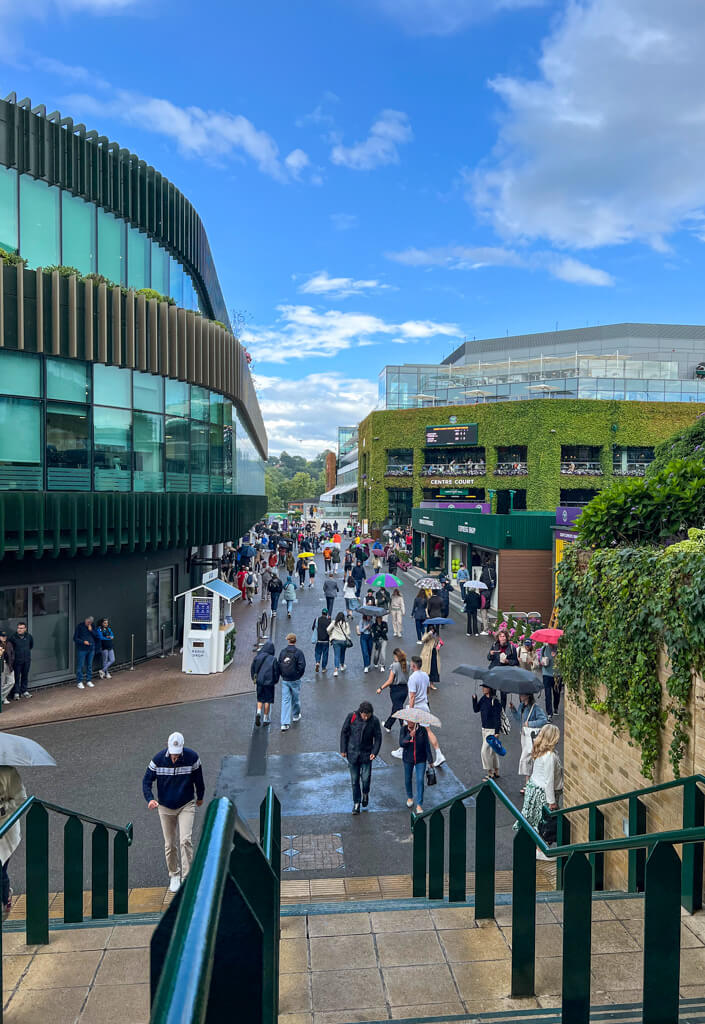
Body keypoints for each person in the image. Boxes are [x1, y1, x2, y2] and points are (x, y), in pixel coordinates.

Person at [143, 732, 205, 892]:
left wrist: (200, 796)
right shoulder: (157, 760)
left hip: (186, 804)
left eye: (177, 754)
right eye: (172, 754)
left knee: (185, 840)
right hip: (165, 806)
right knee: (170, 844)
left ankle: (187, 877)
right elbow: (146, 781)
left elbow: (199, 779)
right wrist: (150, 798)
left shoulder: (192, 758)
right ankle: (174, 875)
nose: (175, 757)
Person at [514, 724, 563, 860]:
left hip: (534, 789)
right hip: (543, 793)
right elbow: (549, 780)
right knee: (544, 823)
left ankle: (538, 849)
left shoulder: (541, 752)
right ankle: (541, 851)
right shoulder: (550, 756)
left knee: (535, 822)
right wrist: (551, 802)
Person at [392, 655, 445, 766]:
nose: (410, 666)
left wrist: (410, 711)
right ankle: (439, 754)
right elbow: (427, 691)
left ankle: (402, 750)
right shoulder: (425, 675)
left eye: (411, 664)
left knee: (406, 727)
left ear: (414, 665)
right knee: (428, 731)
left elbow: (412, 696)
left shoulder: (412, 678)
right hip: (424, 705)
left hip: (415, 707)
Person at [340, 701, 382, 814]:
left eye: (369, 715)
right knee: (354, 781)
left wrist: (374, 751)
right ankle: (356, 803)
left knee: (366, 778)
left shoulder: (374, 721)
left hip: (367, 754)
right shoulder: (352, 717)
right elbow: (344, 732)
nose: (366, 717)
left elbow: (378, 737)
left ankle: (365, 793)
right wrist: (343, 749)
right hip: (353, 753)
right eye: (365, 715)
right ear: (361, 712)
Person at [0, 765, 27, 919]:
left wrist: (3, 807)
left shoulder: (7, 773)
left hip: (5, 829)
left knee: (1, 869)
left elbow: (22, 800)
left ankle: (4, 900)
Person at [509, 693, 548, 792]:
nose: (520, 696)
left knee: (526, 759)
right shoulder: (522, 706)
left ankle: (528, 784)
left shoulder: (535, 708)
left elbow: (544, 720)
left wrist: (529, 724)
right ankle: (529, 784)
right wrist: (513, 709)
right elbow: (519, 719)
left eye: (522, 694)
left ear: (528, 695)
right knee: (529, 760)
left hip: (531, 738)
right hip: (524, 736)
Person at [400, 719, 435, 813]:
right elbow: (401, 743)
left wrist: (430, 760)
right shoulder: (403, 730)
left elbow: (427, 745)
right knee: (408, 779)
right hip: (408, 759)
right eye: (408, 721)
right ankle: (410, 797)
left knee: (420, 780)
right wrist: (409, 736)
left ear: (415, 721)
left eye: (411, 721)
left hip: (421, 759)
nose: (409, 723)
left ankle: (419, 804)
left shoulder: (422, 730)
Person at [472, 685, 503, 779]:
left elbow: (498, 718)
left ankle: (490, 773)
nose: (483, 689)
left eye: (485, 687)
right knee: (492, 752)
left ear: (490, 689)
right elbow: (476, 709)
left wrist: (497, 732)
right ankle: (496, 771)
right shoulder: (483, 699)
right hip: (484, 729)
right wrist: (474, 699)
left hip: (492, 730)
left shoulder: (495, 701)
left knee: (484, 751)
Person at [278, 633, 306, 731]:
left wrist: (282, 675)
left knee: (285, 700)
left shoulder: (282, 652)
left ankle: (284, 723)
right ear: (295, 641)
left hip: (285, 679)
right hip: (295, 679)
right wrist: (298, 675)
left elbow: (279, 664)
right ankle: (295, 715)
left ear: (288, 640)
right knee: (296, 698)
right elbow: (302, 666)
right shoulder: (298, 653)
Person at [377, 648, 409, 732]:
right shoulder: (407, 664)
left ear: (396, 656)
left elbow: (390, 680)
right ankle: (388, 725)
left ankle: (404, 726)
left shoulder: (394, 665)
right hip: (405, 689)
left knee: (398, 709)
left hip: (396, 690)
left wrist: (381, 688)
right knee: (397, 708)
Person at [251, 640, 280, 726]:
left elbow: (253, 669)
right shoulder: (273, 659)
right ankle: (265, 718)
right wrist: (275, 680)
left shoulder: (257, 657)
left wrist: (254, 679)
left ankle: (258, 712)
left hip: (259, 681)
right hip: (269, 683)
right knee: (268, 700)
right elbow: (276, 672)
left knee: (260, 698)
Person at [8, 623, 33, 700]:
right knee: (16, 677)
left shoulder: (29, 637)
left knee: (25, 676)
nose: (19, 629)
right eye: (18, 628)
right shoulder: (13, 638)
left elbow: (31, 646)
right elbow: (10, 650)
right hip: (17, 661)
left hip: (26, 660)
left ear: (25, 629)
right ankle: (16, 693)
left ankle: (24, 691)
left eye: (21, 628)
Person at [74, 616, 97, 690]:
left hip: (91, 649)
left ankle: (88, 680)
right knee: (80, 665)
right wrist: (83, 642)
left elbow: (96, 636)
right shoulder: (79, 626)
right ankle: (79, 682)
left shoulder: (92, 626)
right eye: (88, 622)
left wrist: (91, 630)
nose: (89, 624)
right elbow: (75, 638)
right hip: (82, 649)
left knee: (89, 665)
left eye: (90, 623)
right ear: (85, 620)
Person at [328, 612, 351, 676]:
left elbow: (328, 629)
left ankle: (335, 670)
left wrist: (331, 634)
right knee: (343, 653)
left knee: (336, 655)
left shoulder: (334, 623)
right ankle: (342, 666)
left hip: (335, 640)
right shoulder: (346, 624)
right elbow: (348, 632)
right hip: (343, 641)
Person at [540, 643, 558, 720]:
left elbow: (563, 661)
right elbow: (541, 659)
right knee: (548, 694)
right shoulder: (543, 648)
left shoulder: (559, 649)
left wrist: (556, 656)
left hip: (557, 674)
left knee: (556, 693)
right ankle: (549, 713)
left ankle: (556, 707)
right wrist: (542, 662)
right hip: (546, 674)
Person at [420, 625, 441, 690]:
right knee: (426, 669)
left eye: (433, 629)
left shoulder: (436, 635)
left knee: (434, 669)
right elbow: (423, 640)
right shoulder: (427, 634)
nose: (432, 630)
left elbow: (438, 643)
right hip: (427, 654)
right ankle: (425, 683)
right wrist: (429, 634)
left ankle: (431, 684)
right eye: (430, 628)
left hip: (434, 653)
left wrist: (439, 644)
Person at [313, 608, 331, 673]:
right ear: (326, 614)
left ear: (322, 613)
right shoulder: (328, 621)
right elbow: (331, 630)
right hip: (326, 640)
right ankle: (323, 668)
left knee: (317, 652)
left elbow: (313, 628)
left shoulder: (317, 619)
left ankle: (317, 662)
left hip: (318, 640)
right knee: (325, 654)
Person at [357, 609, 374, 673]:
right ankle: (366, 666)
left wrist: (370, 629)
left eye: (370, 616)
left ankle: (368, 663)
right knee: (365, 651)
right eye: (368, 616)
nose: (369, 617)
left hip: (370, 637)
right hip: (363, 637)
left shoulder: (371, 621)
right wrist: (366, 627)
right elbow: (360, 630)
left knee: (369, 651)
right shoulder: (362, 621)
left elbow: (373, 629)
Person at [0, 631, 14, 706]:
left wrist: (12, 662)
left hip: (9, 665)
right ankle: (3, 698)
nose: (4, 637)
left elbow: (12, 654)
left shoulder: (9, 643)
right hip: (1, 665)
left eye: (5, 636)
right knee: (2, 683)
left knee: (11, 682)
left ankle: (1, 697)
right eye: (2, 636)